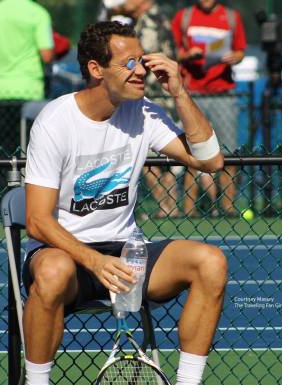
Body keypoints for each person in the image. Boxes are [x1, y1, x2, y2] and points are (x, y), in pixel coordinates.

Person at [22, 21, 228, 385]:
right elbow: (37, 221)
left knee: (210, 262)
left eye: (142, 61)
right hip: (65, 254)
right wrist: (94, 260)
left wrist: (179, 91)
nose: (141, 72)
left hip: (127, 255)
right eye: (129, 62)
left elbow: (210, 161)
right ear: (96, 69)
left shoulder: (143, 111)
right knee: (53, 273)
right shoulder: (55, 121)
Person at [0, 0, 54, 214]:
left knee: (0, 150)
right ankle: (33, 202)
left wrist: (2, 61)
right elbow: (46, 54)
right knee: (34, 150)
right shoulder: (38, 13)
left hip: (1, 89)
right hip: (31, 92)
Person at [172, 0, 246, 217]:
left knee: (229, 153)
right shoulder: (183, 17)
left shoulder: (232, 17)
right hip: (192, 95)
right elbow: (173, 52)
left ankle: (228, 208)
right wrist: (187, 55)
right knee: (193, 153)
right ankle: (189, 209)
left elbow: (241, 50)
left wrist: (235, 57)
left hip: (224, 94)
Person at [114, 0, 183, 218]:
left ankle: (167, 205)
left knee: (149, 156)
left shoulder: (151, 20)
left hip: (155, 98)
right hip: (155, 96)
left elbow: (142, 57)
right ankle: (168, 206)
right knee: (159, 160)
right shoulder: (148, 18)